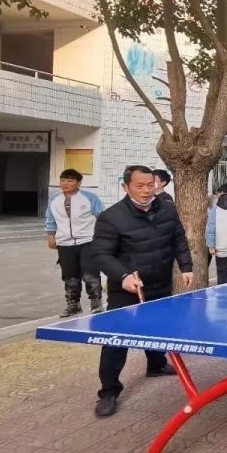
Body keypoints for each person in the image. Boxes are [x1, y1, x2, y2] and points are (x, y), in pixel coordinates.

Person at [89, 165, 194, 417]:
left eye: (151, 185)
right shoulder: (111, 217)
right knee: (116, 340)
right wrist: (123, 275)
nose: (147, 190)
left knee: (157, 329)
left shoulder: (168, 208)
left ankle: (156, 364)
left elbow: (178, 239)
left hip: (160, 283)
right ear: (126, 187)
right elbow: (101, 254)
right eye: (140, 186)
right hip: (127, 289)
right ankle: (109, 390)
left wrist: (186, 266)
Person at [45, 168, 105, 317]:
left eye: (70, 181)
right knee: (70, 276)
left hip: (88, 242)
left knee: (91, 275)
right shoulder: (54, 200)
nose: (65, 184)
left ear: (78, 183)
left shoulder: (90, 198)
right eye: (63, 180)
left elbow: (102, 217)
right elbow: (51, 219)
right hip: (64, 243)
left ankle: (96, 304)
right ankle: (73, 305)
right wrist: (51, 236)